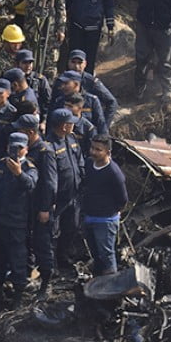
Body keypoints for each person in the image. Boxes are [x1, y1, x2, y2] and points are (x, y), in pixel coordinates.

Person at [0, 132, 37, 305]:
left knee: (18, 261)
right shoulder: (0, 164)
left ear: (26, 149)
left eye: (20, 148)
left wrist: (19, 173)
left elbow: (30, 185)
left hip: (17, 224)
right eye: (13, 147)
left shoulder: (29, 167)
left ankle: (18, 297)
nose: (16, 151)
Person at [10, 0, 66, 78]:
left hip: (49, 25)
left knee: (48, 58)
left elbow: (61, 7)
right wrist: (6, 2)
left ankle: (46, 83)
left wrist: (61, 28)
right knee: (29, 53)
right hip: (30, 24)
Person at [80, 135, 127, 275]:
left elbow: (123, 199)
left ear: (108, 152)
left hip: (105, 220)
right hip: (90, 216)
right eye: (92, 148)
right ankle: (97, 282)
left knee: (107, 254)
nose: (93, 152)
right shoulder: (89, 164)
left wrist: (114, 211)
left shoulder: (114, 173)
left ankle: (111, 286)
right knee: (95, 253)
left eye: (98, 150)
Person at [46, 107, 85, 270]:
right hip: (59, 198)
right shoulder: (49, 146)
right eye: (70, 123)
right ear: (63, 126)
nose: (73, 126)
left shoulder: (72, 139)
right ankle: (51, 264)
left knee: (72, 227)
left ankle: (64, 258)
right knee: (53, 233)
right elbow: (50, 178)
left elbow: (80, 160)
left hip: (74, 195)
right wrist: (51, 200)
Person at [66, 0, 116, 74]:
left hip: (94, 27)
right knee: (74, 55)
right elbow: (68, 0)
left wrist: (110, 27)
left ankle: (86, 84)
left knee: (90, 58)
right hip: (76, 24)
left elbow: (109, 6)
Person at [24, 117, 57, 294]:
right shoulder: (29, 148)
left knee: (43, 244)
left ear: (30, 132)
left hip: (41, 207)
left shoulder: (45, 151)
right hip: (29, 204)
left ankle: (46, 283)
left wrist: (45, 208)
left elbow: (50, 183)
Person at [15, 49, 53, 118]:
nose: (28, 66)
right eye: (25, 62)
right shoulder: (13, 79)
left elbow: (48, 102)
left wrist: (44, 121)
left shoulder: (40, 80)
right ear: (17, 64)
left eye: (30, 63)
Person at [0, 24, 27, 90]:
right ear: (5, 42)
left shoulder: (21, 57)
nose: (17, 46)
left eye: (19, 43)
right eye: (13, 43)